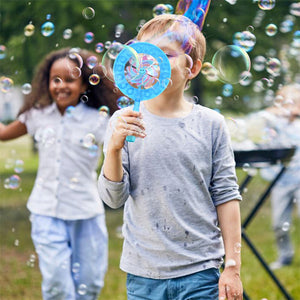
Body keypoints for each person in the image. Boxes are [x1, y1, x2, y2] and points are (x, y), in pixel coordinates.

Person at [98, 14, 243, 300]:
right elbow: (113, 199)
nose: (154, 61)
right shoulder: (124, 121)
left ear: (193, 68)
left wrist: (233, 267)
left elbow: (226, 195)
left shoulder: (211, 124)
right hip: (144, 273)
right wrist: (113, 149)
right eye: (147, 54)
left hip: (200, 271)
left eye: (165, 54)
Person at [0, 47, 120, 300]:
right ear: (47, 83)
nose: (61, 86)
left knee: (90, 283)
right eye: (55, 79)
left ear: (85, 85)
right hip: (46, 211)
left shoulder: (100, 120)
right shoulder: (37, 116)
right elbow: (2, 133)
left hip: (86, 212)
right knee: (57, 285)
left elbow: (119, 146)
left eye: (69, 79)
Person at [259, 84, 300, 270]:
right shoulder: (275, 122)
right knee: (278, 223)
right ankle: (285, 256)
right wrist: (281, 112)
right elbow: (261, 117)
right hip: (281, 180)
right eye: (287, 102)